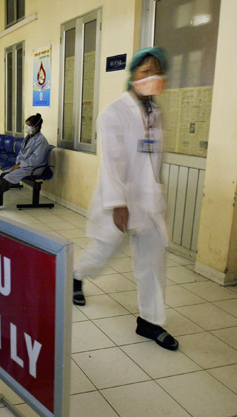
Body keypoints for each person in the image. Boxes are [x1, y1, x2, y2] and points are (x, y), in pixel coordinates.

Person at [72, 47, 179, 351]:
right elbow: (111, 162)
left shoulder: (155, 114)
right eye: (146, 71)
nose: (152, 76)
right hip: (118, 200)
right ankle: (77, 276)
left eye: (157, 71)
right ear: (133, 75)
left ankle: (150, 321)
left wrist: (156, 195)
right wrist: (119, 204)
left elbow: (153, 160)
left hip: (149, 201)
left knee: (153, 263)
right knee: (102, 251)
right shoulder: (113, 113)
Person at [0, 113, 50, 211]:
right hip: (24, 166)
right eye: (26, 125)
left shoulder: (41, 141)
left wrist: (20, 165)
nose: (27, 128)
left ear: (37, 127)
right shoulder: (29, 137)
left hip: (34, 168)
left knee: (8, 177)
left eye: (29, 125)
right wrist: (18, 164)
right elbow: (22, 153)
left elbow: (36, 160)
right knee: (3, 175)